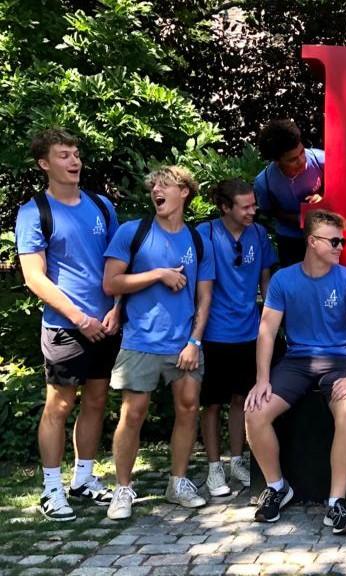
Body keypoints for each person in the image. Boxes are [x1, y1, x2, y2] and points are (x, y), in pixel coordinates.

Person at [244, 210, 346, 534]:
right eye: (334, 241)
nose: (340, 247)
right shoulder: (283, 280)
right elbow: (267, 330)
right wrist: (262, 379)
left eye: (342, 241)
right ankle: (277, 487)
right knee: (255, 413)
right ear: (313, 242)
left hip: (340, 360)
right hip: (297, 360)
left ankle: (336, 504)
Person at [16, 129, 120, 521]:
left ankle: (83, 479)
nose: (74, 161)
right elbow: (34, 277)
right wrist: (79, 318)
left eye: (76, 153)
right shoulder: (33, 212)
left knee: (96, 401)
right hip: (65, 326)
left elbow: (118, 264)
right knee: (59, 405)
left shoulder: (101, 205)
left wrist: (117, 308)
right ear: (44, 163)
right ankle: (51, 489)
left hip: (105, 324)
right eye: (63, 155)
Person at [102, 166, 214, 520]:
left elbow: (205, 297)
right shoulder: (132, 232)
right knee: (133, 414)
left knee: (188, 408)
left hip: (184, 344)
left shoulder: (198, 240)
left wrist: (195, 341)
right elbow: (111, 283)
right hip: (140, 341)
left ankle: (177, 483)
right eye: (153, 186)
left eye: (165, 185)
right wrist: (158, 274)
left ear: (184, 192)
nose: (157, 191)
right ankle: (123, 489)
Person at [196, 180, 278, 497]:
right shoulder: (205, 234)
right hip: (214, 333)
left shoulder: (259, 234)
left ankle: (237, 460)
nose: (252, 211)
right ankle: (213, 468)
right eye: (245, 206)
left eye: (254, 204)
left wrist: (271, 321)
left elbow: (266, 281)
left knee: (242, 400)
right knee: (211, 403)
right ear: (225, 207)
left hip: (250, 331)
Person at [253, 119, 326, 266]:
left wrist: (324, 198)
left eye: (302, 152)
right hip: (290, 240)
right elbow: (269, 212)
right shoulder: (264, 183)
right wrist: (297, 218)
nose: (302, 160)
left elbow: (344, 189)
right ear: (277, 161)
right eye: (293, 160)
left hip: (325, 234)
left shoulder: (322, 161)